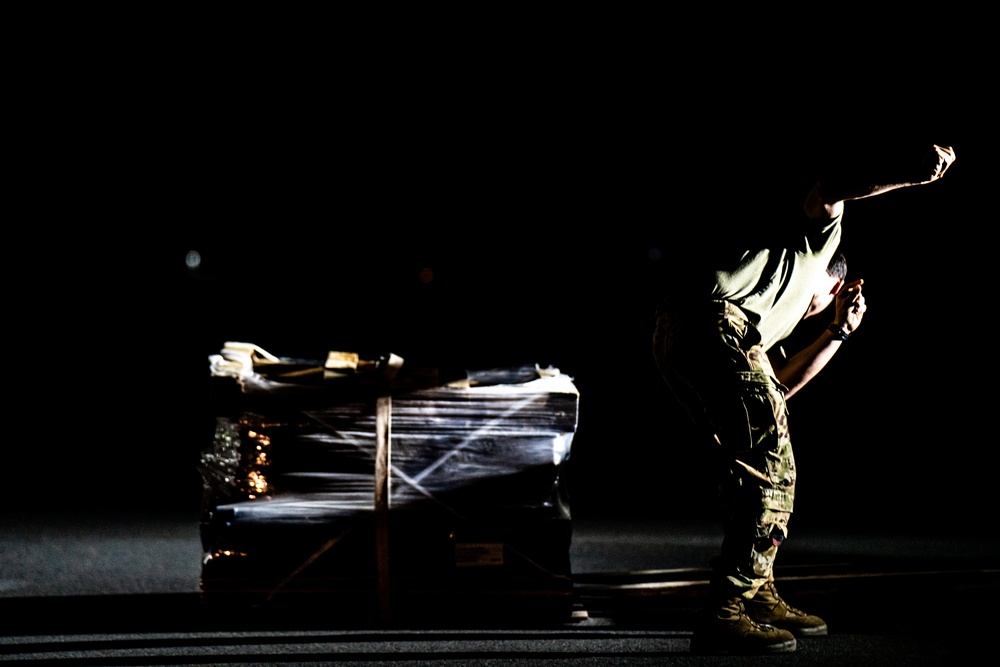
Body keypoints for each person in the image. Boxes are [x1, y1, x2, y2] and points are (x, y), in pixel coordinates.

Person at [652, 143, 957, 654]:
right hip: (712, 323)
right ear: (831, 281)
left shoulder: (768, 316)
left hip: (684, 334)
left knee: (746, 467)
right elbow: (831, 188)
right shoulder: (812, 247)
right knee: (773, 467)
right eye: (824, 303)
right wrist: (907, 172)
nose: (816, 311)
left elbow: (778, 387)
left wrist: (836, 334)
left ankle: (757, 593)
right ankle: (724, 609)